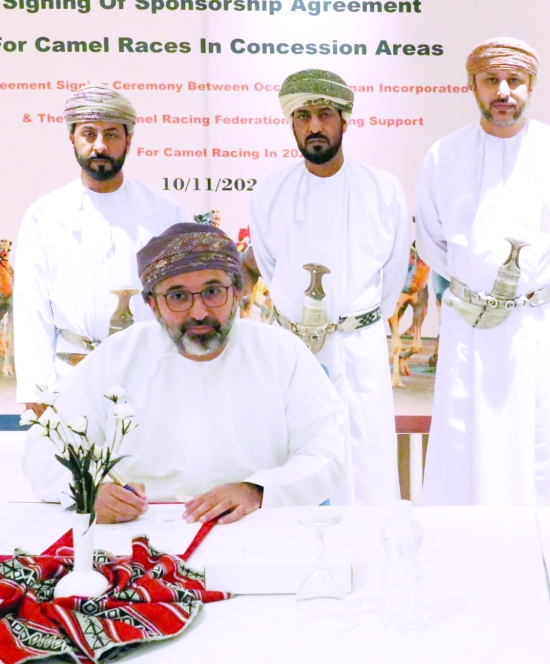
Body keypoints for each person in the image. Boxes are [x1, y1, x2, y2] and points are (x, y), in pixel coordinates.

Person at [22, 224, 348, 525]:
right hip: (135, 534)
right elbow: (43, 451)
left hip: (254, 525)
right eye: (178, 296)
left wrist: (258, 490)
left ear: (237, 292)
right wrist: (89, 489)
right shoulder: (118, 356)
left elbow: (326, 454)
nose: (199, 312)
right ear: (152, 304)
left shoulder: (283, 354)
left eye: (212, 292)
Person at [415, 37, 550, 505]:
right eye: (491, 80)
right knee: (464, 438)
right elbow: (431, 239)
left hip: (538, 322)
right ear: (472, 85)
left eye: (514, 81)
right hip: (468, 324)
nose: (503, 91)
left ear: (530, 85)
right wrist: (475, 288)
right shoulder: (443, 155)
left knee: (542, 439)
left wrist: (533, 291)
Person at [250, 69, 409, 506]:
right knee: (297, 453)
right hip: (292, 349)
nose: (314, 126)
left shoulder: (383, 189)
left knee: (366, 461)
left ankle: (369, 565)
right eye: (302, 116)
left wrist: (352, 323)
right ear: (292, 123)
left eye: (324, 114)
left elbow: (394, 273)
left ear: (345, 120)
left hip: (358, 349)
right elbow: (266, 263)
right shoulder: (270, 191)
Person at [15, 85, 188, 415]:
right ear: (72, 140)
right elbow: (31, 307)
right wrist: (38, 389)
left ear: (128, 140)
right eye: (89, 134)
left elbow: (184, 299)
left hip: (151, 378)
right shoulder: (45, 214)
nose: (100, 146)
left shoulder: (164, 211)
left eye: (111, 134)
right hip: (70, 379)